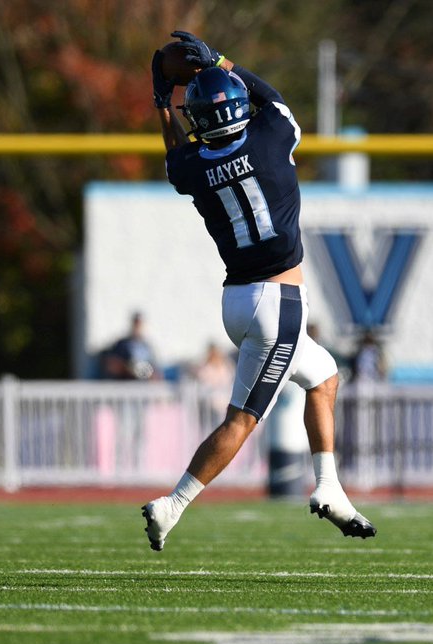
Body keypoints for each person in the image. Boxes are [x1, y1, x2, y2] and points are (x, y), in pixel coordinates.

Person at [141, 31, 375, 550]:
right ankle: (172, 504)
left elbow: (174, 154)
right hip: (279, 303)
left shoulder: (191, 169)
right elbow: (272, 99)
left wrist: (162, 102)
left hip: (239, 301)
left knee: (325, 377)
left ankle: (329, 488)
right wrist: (222, 60)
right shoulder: (271, 137)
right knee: (243, 419)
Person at [101, 311, 158, 380]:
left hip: (142, 386)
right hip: (125, 384)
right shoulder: (122, 345)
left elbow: (154, 372)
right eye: (136, 323)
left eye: (139, 324)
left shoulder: (147, 347)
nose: (137, 327)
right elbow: (110, 364)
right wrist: (126, 368)